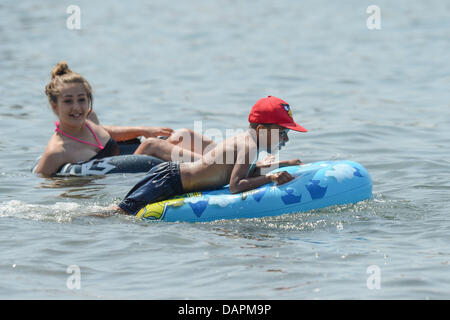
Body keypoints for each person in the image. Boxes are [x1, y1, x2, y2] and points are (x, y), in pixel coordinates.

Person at [114, 96, 308, 215]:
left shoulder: (249, 142)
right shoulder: (248, 146)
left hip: (172, 177)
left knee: (123, 210)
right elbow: (236, 185)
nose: (285, 139)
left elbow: (242, 171)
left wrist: (282, 164)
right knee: (119, 213)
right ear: (260, 129)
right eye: (282, 133)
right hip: (168, 180)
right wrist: (270, 177)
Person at [34, 61, 215, 176]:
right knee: (152, 145)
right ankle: (217, 170)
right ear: (54, 105)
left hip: (131, 163)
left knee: (182, 135)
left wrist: (143, 130)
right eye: (68, 101)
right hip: (126, 179)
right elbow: (40, 182)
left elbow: (107, 132)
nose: (77, 107)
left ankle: (232, 158)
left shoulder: (89, 120)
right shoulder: (57, 151)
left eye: (82, 100)